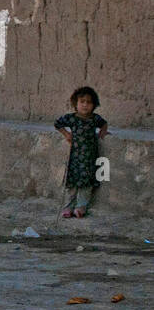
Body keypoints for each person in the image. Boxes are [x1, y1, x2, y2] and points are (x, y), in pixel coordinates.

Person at [55, 86, 108, 218]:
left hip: (89, 159)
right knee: (72, 184)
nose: (85, 105)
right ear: (75, 103)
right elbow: (57, 124)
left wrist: (103, 130)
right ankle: (68, 207)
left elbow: (104, 123)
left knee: (86, 184)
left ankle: (81, 207)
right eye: (82, 101)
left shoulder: (95, 119)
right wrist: (66, 134)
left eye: (89, 102)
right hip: (75, 158)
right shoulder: (71, 118)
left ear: (94, 105)